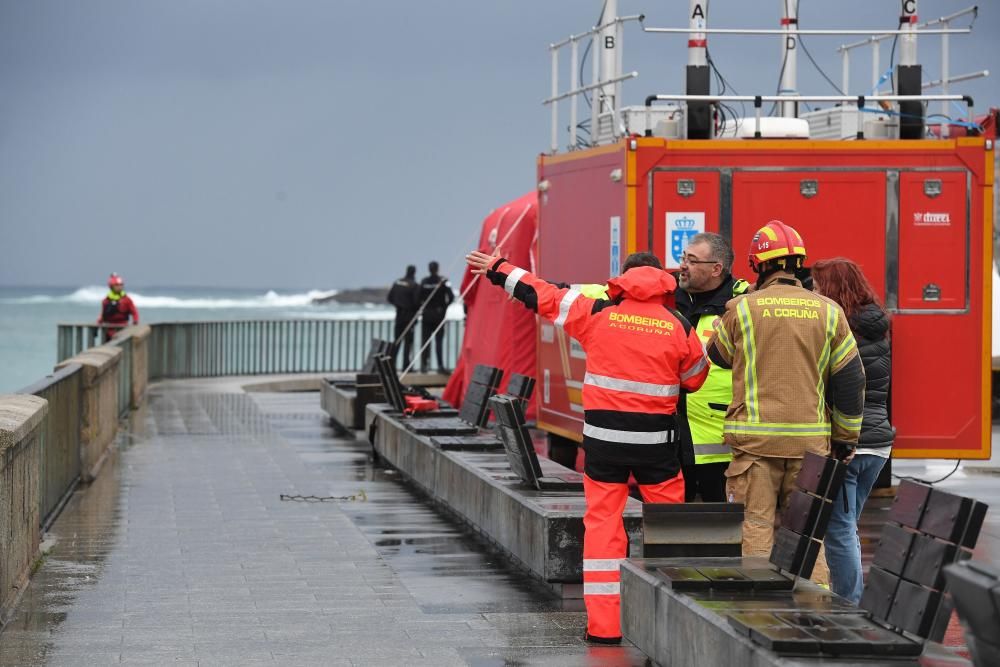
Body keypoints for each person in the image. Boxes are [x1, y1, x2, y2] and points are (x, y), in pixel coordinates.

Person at [466, 248, 708, 644]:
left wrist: (497, 268)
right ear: (662, 281)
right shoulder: (678, 325)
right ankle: (670, 628)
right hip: (657, 448)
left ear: (624, 280)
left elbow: (540, 294)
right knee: (669, 529)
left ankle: (605, 628)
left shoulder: (596, 314)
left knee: (603, 528)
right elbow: (695, 377)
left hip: (604, 445)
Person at [705, 221, 865, 569]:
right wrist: (846, 438)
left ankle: (758, 611)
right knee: (807, 535)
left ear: (760, 265)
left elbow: (717, 356)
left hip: (755, 447)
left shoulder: (743, 309)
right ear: (799, 264)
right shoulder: (829, 312)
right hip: (810, 446)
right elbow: (851, 380)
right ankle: (816, 609)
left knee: (756, 527)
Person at [812, 258, 894, 604]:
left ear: (832, 289)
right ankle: (848, 597)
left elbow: (840, 388)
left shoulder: (841, 330)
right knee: (847, 525)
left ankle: (848, 603)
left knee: (839, 528)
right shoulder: (875, 324)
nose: (813, 293)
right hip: (878, 444)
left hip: (852, 442)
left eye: (817, 286)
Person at [675, 232, 749, 502]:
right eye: (683, 258)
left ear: (717, 269)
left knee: (722, 527)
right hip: (674, 441)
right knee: (670, 526)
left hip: (721, 446)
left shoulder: (742, 304)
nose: (683, 265)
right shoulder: (668, 297)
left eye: (692, 261)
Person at [418, 261, 454, 373]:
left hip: (427, 315)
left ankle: (424, 366)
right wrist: (444, 308)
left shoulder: (424, 281)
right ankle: (440, 366)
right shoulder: (442, 281)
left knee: (425, 342)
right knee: (439, 342)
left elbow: (418, 297)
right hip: (439, 315)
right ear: (437, 269)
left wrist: (424, 307)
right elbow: (451, 296)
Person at [387, 265, 420, 370]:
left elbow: (390, 298)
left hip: (399, 316)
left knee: (397, 341)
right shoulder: (414, 285)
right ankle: (406, 366)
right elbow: (416, 302)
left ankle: (391, 364)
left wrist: (398, 305)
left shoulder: (397, 282)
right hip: (409, 317)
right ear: (414, 273)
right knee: (407, 343)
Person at [98, 273, 139, 342]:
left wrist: (135, 321)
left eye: (121, 285)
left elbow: (134, 312)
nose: (119, 287)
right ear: (111, 286)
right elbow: (103, 315)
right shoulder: (106, 300)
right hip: (109, 330)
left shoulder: (127, 300)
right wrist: (98, 325)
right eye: (117, 285)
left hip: (123, 329)